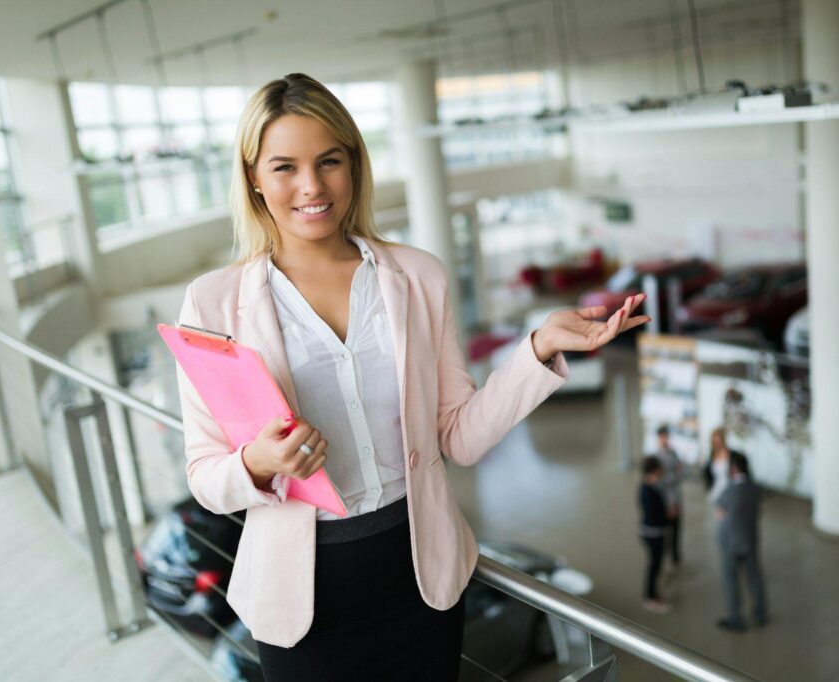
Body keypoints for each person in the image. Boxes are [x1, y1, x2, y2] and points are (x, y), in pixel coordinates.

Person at [174, 73, 650, 682]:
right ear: (254, 178)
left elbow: (460, 436)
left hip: (417, 578)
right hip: (302, 599)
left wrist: (538, 347)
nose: (312, 186)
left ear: (354, 165)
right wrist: (260, 464)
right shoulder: (212, 303)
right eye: (285, 167)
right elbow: (206, 476)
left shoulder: (417, 277)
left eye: (329, 161)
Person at [714, 452, 768, 632]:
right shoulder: (755, 488)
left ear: (733, 468)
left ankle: (735, 619)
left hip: (731, 543)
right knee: (754, 577)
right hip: (750, 539)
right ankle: (760, 614)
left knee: (731, 580)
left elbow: (720, 510)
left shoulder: (730, 491)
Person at [638, 456, 671, 614]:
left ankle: (653, 594)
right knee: (654, 565)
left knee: (656, 564)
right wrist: (668, 515)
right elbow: (654, 515)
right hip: (652, 534)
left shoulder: (649, 487)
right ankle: (649, 597)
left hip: (653, 532)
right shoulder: (648, 491)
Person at [655, 425, 683, 569]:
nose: (665, 439)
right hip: (664, 499)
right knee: (666, 530)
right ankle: (666, 556)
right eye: (662, 437)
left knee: (677, 528)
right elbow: (657, 481)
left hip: (675, 497)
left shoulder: (673, 453)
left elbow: (680, 471)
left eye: (666, 436)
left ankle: (675, 555)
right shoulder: (655, 457)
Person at [702, 426, 731, 504]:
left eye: (718, 438)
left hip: (728, 490)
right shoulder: (711, 455)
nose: (716, 441)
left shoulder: (730, 454)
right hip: (715, 490)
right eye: (714, 438)